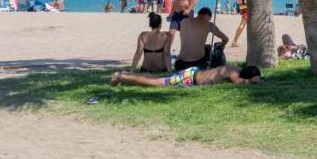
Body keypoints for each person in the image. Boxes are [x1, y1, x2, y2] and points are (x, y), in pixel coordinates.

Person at [111, 63, 262, 89]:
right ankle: (121, 76)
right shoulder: (234, 73)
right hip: (190, 78)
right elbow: (238, 82)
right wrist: (253, 82)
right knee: (156, 83)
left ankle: (126, 74)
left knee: (157, 78)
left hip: (193, 73)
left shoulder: (234, 68)